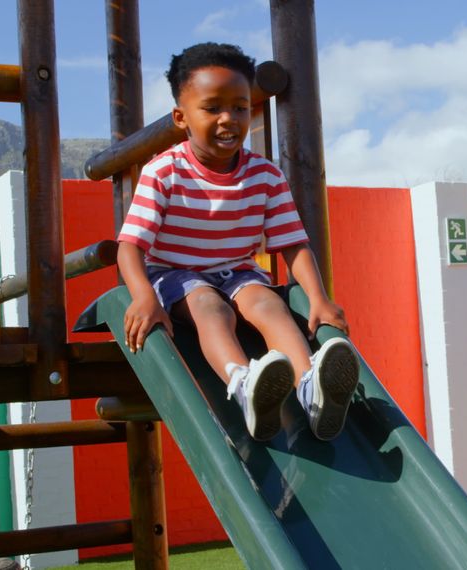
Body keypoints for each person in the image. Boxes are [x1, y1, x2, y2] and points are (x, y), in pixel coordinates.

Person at [116, 42, 359, 442]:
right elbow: (131, 245)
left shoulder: (264, 175)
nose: (229, 118)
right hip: (177, 273)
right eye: (212, 108)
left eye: (240, 107)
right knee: (211, 309)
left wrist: (318, 297)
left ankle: (309, 385)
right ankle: (244, 385)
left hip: (237, 269)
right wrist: (143, 296)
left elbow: (293, 243)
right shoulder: (164, 172)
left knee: (270, 305)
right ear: (182, 117)